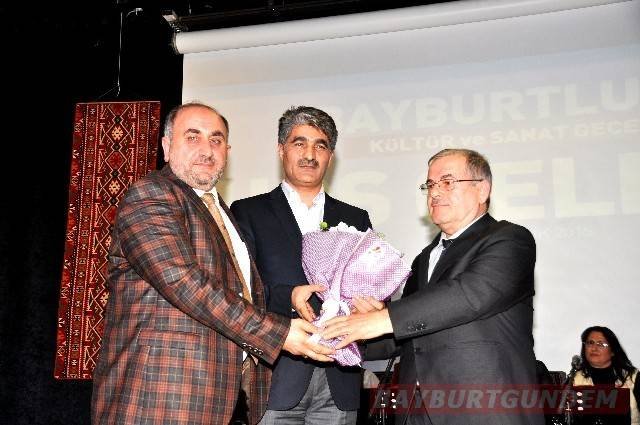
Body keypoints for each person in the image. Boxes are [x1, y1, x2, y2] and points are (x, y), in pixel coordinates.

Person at [91, 102, 334, 425]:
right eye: (193, 137)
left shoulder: (221, 211)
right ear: (166, 146)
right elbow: (183, 282)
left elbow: (241, 293)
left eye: (216, 140)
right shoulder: (151, 194)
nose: (207, 150)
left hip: (218, 398)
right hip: (159, 398)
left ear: (227, 152)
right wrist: (278, 333)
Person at [323, 148, 543, 425]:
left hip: (484, 410)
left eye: (447, 182)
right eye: (430, 185)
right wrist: (346, 333)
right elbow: (408, 333)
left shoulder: (510, 239)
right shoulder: (424, 258)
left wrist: (383, 319)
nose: (435, 192)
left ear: (482, 190)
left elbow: (470, 294)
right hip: (416, 412)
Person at [230, 105, 372, 424]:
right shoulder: (248, 212)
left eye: (320, 146)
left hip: (340, 378)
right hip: (276, 377)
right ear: (281, 150)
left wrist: (373, 304)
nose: (310, 154)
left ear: (330, 156)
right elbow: (240, 290)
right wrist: (289, 296)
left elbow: (368, 284)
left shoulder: (355, 218)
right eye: (300, 143)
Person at [570, 326, 639, 425]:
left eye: (601, 344)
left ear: (613, 351)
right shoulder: (575, 379)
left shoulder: (632, 377)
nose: (594, 348)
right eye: (590, 343)